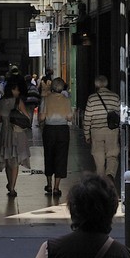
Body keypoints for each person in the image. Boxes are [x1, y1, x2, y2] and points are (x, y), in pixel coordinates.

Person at [0, 73, 31, 198]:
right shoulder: (18, 101)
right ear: (12, 89)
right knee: (15, 161)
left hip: (5, 134)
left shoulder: (1, 102)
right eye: (16, 89)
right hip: (17, 134)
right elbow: (27, 118)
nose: (18, 91)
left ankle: (9, 183)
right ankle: (12, 187)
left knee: (7, 159)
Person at [39, 75, 75, 203]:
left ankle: (48, 184)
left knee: (48, 155)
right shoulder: (66, 100)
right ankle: (56, 187)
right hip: (62, 131)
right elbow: (70, 118)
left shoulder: (46, 99)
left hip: (49, 130)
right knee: (61, 156)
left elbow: (41, 118)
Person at [83, 73, 122, 184]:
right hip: (112, 131)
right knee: (112, 154)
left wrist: (87, 134)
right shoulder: (115, 97)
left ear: (96, 85)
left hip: (96, 131)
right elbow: (119, 114)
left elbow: (87, 118)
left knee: (98, 154)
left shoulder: (92, 98)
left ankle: (101, 178)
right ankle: (110, 174)